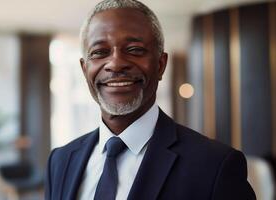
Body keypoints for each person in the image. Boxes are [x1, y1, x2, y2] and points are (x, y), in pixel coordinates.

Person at [45, 0, 256, 199]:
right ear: (84, 69)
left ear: (161, 64)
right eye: (100, 52)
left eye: (135, 50)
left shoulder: (214, 165)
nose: (116, 63)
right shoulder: (60, 161)